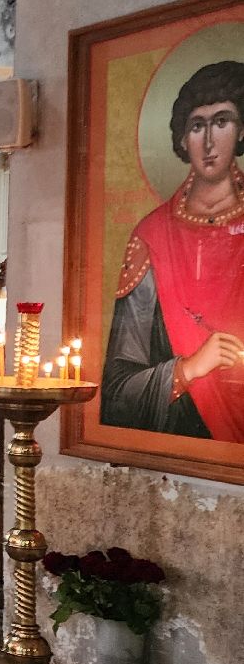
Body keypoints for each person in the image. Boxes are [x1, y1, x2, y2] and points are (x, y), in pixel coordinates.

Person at [102, 60, 244, 440]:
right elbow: (116, 393)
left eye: (222, 121)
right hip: (182, 434)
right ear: (183, 140)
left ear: (241, 129)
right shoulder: (152, 236)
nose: (210, 142)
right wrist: (190, 368)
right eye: (197, 125)